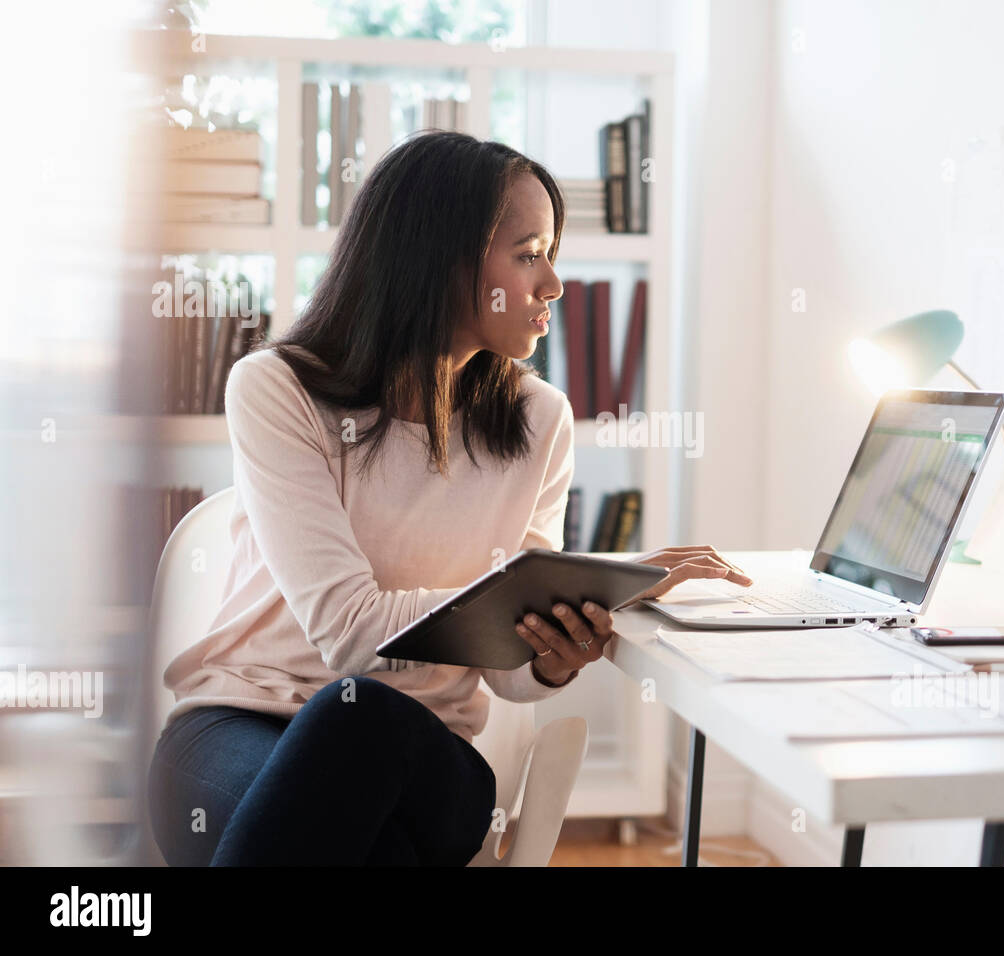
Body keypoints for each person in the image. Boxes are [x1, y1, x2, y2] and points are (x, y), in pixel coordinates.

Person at [146, 130, 752, 866]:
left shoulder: (538, 421)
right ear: (439, 257)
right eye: (529, 254)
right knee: (362, 815)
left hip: (423, 754)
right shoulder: (278, 389)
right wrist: (510, 600)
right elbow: (349, 634)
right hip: (239, 725)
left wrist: (553, 653)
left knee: (365, 729)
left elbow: (507, 673)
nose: (553, 284)